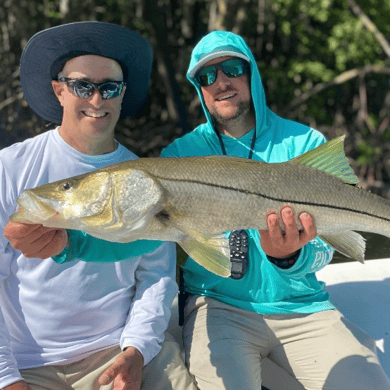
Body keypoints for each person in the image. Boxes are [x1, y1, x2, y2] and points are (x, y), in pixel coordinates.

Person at [6, 30, 390, 390]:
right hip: (220, 308)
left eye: (233, 69)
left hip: (303, 307)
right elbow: (139, 240)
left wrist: (292, 257)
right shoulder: (181, 154)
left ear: (252, 75)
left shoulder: (305, 141)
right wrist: (69, 246)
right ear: (200, 90)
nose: (221, 81)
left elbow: (324, 250)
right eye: (206, 76)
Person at [1, 21, 197, 390]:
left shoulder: (147, 179)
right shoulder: (10, 168)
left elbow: (156, 278)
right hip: (25, 362)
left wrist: (136, 351)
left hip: (117, 348)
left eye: (109, 88)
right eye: (81, 86)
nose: (96, 100)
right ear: (59, 91)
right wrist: (7, 378)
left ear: (122, 94)